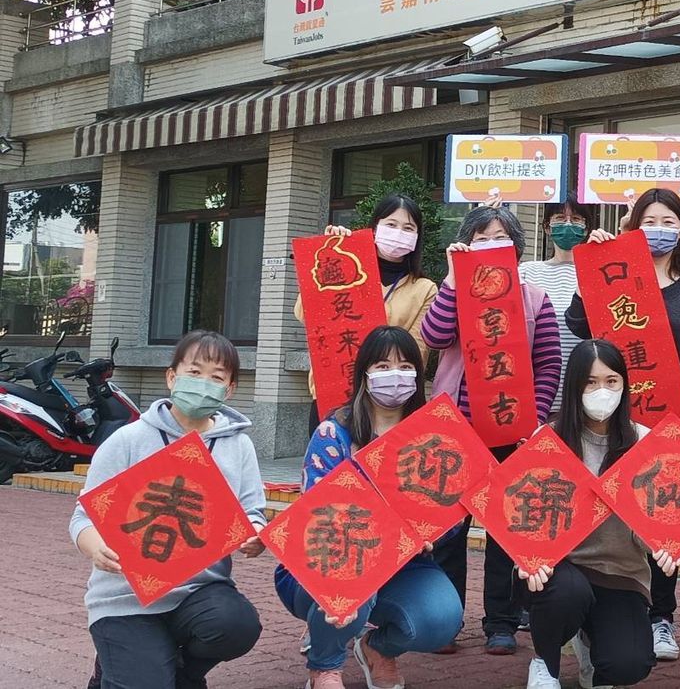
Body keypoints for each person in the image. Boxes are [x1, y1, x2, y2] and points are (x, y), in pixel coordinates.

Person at [565, 187, 680, 662]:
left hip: (667, 424)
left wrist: (673, 405)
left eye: (669, 222)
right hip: (607, 420)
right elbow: (577, 323)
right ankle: (589, 610)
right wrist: (593, 264)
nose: (659, 230)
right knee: (605, 516)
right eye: (649, 221)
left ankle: (661, 617)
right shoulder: (614, 274)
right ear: (634, 226)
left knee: (662, 515)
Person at [70, 331, 267, 689]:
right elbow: (84, 516)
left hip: (200, 592)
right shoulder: (128, 440)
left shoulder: (238, 445)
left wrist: (254, 534)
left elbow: (252, 511)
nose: (203, 383)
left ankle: (183, 675)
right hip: (126, 598)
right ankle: (117, 666)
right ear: (172, 377)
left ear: (230, 389)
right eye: (194, 372)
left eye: (217, 377)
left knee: (238, 625)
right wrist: (94, 546)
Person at [276, 325, 464, 689]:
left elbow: (451, 513)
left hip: (404, 565)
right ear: (364, 374)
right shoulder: (335, 433)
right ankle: (325, 666)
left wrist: (434, 532)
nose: (395, 375)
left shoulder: (432, 437)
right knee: (354, 579)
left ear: (418, 376)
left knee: (443, 618)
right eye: (382, 366)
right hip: (333, 558)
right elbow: (316, 511)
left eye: (405, 366)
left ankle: (377, 648)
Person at [422, 204, 562, 654]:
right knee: (448, 532)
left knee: (505, 530)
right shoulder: (454, 291)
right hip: (455, 430)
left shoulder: (535, 298)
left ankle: (501, 622)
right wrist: (452, 279)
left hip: (510, 431)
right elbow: (434, 336)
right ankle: (446, 621)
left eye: (500, 237)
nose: (490, 246)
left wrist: (534, 419)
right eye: (480, 238)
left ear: (516, 248)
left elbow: (548, 364)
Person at [523, 338, 675, 689]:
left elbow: (652, 521)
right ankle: (544, 663)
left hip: (619, 572)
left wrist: (664, 543)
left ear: (625, 385)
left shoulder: (644, 442)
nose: (601, 391)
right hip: (560, 571)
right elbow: (524, 514)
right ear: (574, 387)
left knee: (629, 665)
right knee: (566, 593)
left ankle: (592, 648)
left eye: (611, 381)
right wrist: (527, 557)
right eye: (590, 382)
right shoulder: (547, 439)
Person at [295, 193, 440, 433]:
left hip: (388, 401)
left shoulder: (424, 288)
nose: (399, 233)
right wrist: (330, 255)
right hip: (334, 391)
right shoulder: (347, 267)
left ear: (417, 236)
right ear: (374, 228)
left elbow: (417, 351)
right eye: (391, 224)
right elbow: (305, 315)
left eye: (408, 228)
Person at [518, 199, 598, 417]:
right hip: (538, 397)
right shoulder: (526, 272)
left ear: (586, 228)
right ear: (547, 227)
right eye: (560, 218)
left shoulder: (598, 272)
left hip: (590, 399)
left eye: (577, 219)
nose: (568, 224)